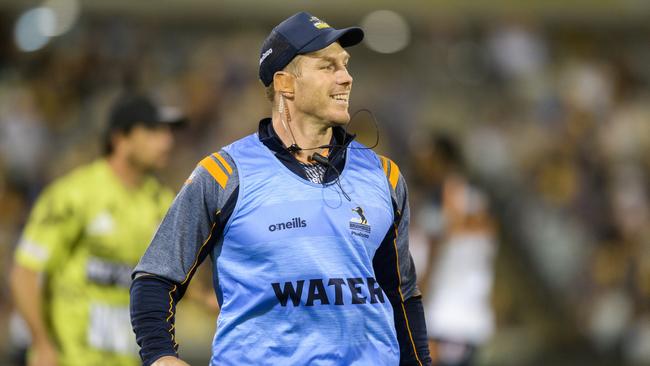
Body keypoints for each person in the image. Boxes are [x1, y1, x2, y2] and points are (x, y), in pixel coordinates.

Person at [130, 12, 431, 366]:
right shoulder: (224, 174)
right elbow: (156, 276)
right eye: (327, 66)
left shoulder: (385, 176)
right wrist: (159, 355)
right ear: (285, 83)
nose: (346, 77)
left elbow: (402, 295)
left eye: (346, 65)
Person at [10, 93, 183, 366]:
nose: (166, 141)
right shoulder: (73, 195)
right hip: (71, 359)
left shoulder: (163, 203)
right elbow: (25, 273)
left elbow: (179, 278)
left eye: (168, 132)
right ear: (120, 139)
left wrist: (212, 301)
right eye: (153, 131)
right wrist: (42, 344)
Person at [417, 135, 498, 366]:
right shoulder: (480, 200)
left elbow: (434, 255)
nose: (423, 166)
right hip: (469, 317)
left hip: (444, 317)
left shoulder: (441, 200)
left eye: (428, 159)